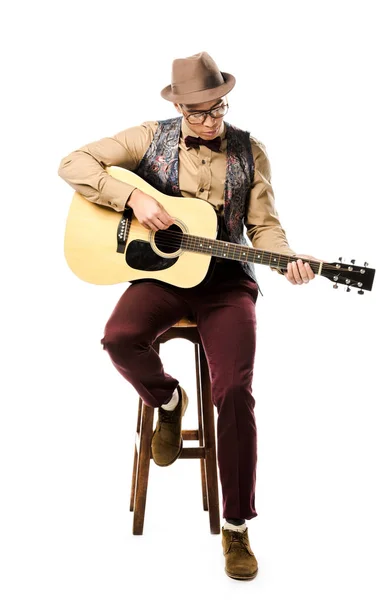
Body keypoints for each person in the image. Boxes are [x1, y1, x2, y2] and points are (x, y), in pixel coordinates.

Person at [58, 51, 320, 581]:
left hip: (225, 284)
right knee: (118, 339)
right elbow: (72, 164)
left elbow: (264, 227)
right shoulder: (147, 137)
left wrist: (287, 255)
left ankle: (238, 527)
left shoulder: (250, 150)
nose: (211, 119)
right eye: (199, 112)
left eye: (218, 108)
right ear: (179, 106)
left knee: (233, 393)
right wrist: (131, 197)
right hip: (164, 277)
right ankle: (170, 398)